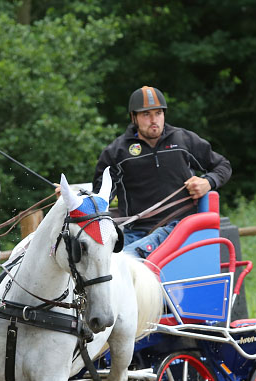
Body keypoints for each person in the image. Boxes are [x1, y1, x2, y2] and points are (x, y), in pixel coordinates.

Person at [92, 85, 232, 258]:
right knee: (101, 259)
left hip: (178, 229)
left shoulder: (183, 140)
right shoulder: (116, 152)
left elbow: (223, 166)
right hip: (135, 232)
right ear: (133, 117)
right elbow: (100, 197)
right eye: (146, 114)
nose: (154, 120)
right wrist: (75, 199)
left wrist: (208, 182)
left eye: (158, 113)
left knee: (125, 260)